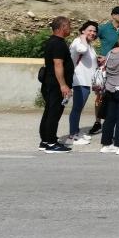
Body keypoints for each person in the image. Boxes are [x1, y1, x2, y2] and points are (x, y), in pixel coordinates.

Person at [89, 5, 119, 135]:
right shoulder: (103, 29)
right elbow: (89, 40)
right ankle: (97, 122)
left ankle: (113, 121)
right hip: (105, 66)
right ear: (113, 15)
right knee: (100, 95)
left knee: (117, 94)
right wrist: (94, 55)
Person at [39, 16, 74, 153]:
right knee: (54, 113)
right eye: (69, 26)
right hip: (55, 85)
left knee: (48, 112)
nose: (70, 29)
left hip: (50, 84)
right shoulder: (58, 43)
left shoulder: (51, 41)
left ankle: (45, 140)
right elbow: (58, 64)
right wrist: (63, 85)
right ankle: (51, 144)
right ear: (62, 27)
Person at [67, 20, 99, 147]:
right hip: (79, 81)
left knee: (79, 109)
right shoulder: (78, 41)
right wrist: (83, 38)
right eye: (89, 30)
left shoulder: (89, 45)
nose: (92, 33)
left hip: (86, 82)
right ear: (83, 31)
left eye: (94, 31)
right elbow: (82, 50)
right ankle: (73, 136)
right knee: (77, 109)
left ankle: (77, 132)